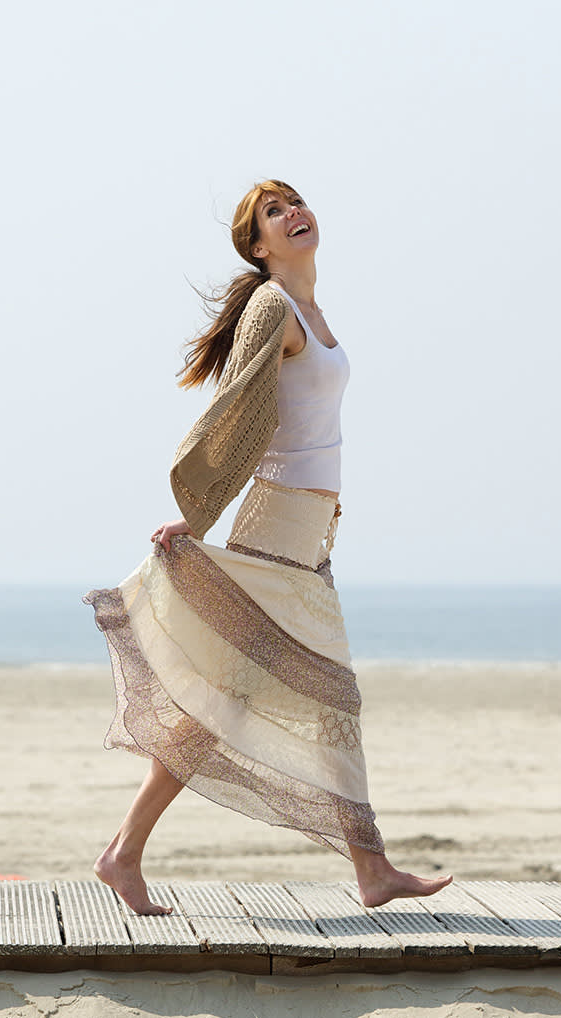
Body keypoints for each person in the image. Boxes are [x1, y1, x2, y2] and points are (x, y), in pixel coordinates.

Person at [82, 179, 452, 914]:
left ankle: (124, 854)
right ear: (259, 246)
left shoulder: (311, 311)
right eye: (273, 213)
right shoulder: (273, 307)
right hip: (276, 526)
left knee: (232, 702)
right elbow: (241, 409)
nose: (293, 214)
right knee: (318, 699)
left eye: (295, 202)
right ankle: (370, 870)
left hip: (307, 534)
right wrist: (201, 513)